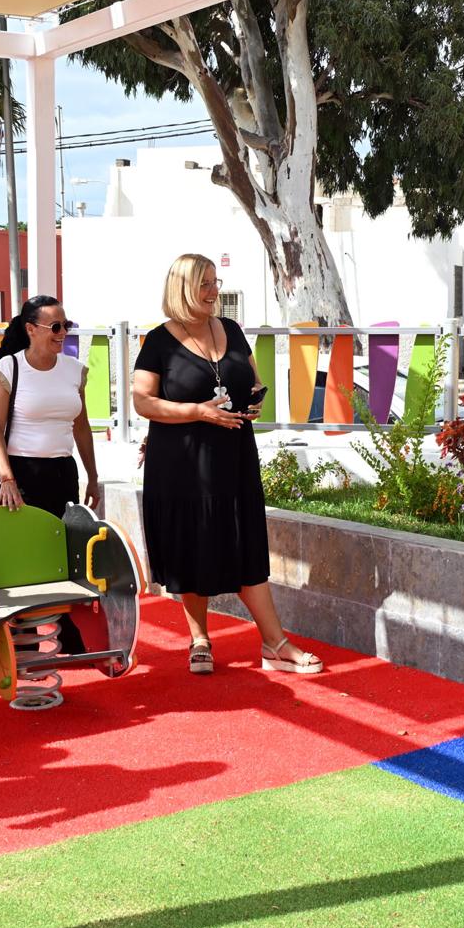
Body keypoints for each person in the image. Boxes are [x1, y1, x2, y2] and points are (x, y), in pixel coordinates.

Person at [131, 254, 322, 676]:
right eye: (205, 284)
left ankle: (274, 643)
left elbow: (252, 380)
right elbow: (142, 401)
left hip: (234, 458)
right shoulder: (158, 341)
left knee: (245, 544)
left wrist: (255, 399)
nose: (214, 291)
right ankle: (200, 638)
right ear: (183, 288)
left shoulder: (232, 329)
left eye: (216, 282)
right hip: (181, 463)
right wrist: (198, 412)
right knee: (192, 546)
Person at [0, 295, 100, 654]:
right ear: (31, 329)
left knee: (64, 552)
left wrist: (93, 476)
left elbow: (81, 427)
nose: (62, 332)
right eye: (55, 326)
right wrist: (7, 479)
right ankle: (25, 634)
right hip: (21, 474)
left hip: (63, 471)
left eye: (66, 325)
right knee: (25, 556)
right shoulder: (8, 369)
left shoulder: (74, 370)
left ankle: (65, 627)